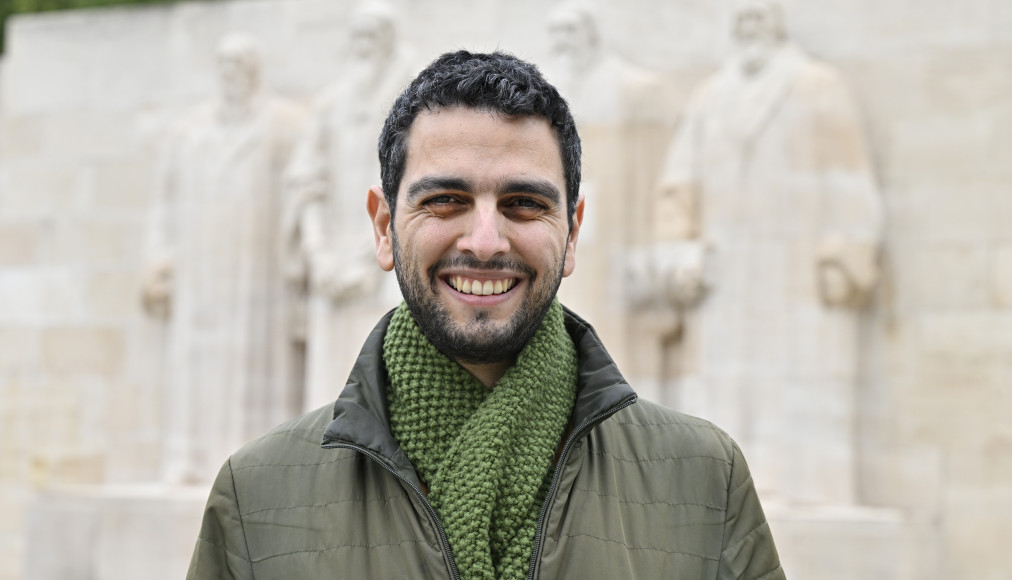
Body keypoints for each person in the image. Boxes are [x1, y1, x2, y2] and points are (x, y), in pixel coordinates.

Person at [186, 50, 784, 579]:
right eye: (446, 200)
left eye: (524, 204)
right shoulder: (255, 496)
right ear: (383, 226)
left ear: (571, 232)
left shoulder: (708, 481)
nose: (485, 240)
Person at [651, 0, 884, 505]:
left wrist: (848, 254)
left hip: (795, 266)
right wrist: (678, 253)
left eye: (758, 17)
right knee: (718, 381)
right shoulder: (710, 96)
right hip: (724, 269)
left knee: (799, 373)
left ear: (776, 24)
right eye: (741, 20)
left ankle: (804, 488)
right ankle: (715, 490)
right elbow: (678, 184)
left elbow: (849, 176)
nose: (749, 27)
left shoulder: (818, 86)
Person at [142, 33, 306, 484]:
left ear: (254, 71)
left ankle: (255, 464)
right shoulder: (189, 133)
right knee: (194, 363)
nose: (232, 74)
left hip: (259, 271)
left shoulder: (285, 126)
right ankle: (189, 459)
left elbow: (304, 194)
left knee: (256, 364)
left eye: (240, 65)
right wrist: (158, 258)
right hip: (200, 270)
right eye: (225, 65)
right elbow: (165, 203)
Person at [284, 0, 416, 411]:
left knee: (388, 365)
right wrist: (318, 251)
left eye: (373, 35)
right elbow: (307, 183)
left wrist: (370, 251)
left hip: (388, 251)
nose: (364, 45)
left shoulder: (414, 100)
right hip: (333, 257)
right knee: (330, 380)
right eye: (357, 35)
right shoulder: (328, 105)